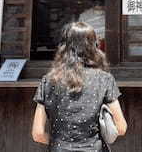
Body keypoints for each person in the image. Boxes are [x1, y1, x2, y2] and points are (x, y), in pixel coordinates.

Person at [32, 22, 127, 151]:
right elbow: (121, 127)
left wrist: (58, 143)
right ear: (94, 47)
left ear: (64, 47)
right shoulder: (104, 79)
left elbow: (38, 134)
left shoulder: (48, 81)